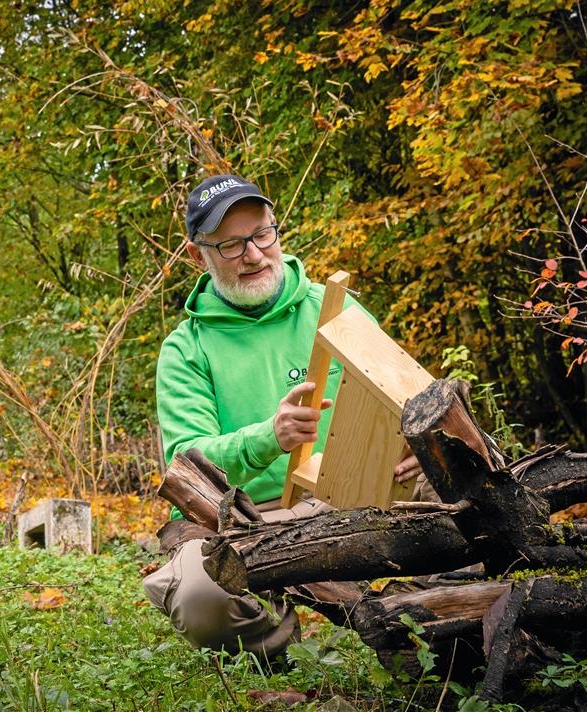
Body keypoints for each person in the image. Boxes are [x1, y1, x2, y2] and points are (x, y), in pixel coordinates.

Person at [143, 173, 430, 661]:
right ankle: (289, 660)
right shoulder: (184, 350)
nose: (254, 254)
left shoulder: (332, 309)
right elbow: (186, 464)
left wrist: (418, 446)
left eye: (261, 234)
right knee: (198, 597)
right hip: (245, 520)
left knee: (459, 492)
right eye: (231, 245)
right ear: (199, 256)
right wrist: (268, 437)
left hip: (352, 494)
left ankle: (425, 627)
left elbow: (405, 393)